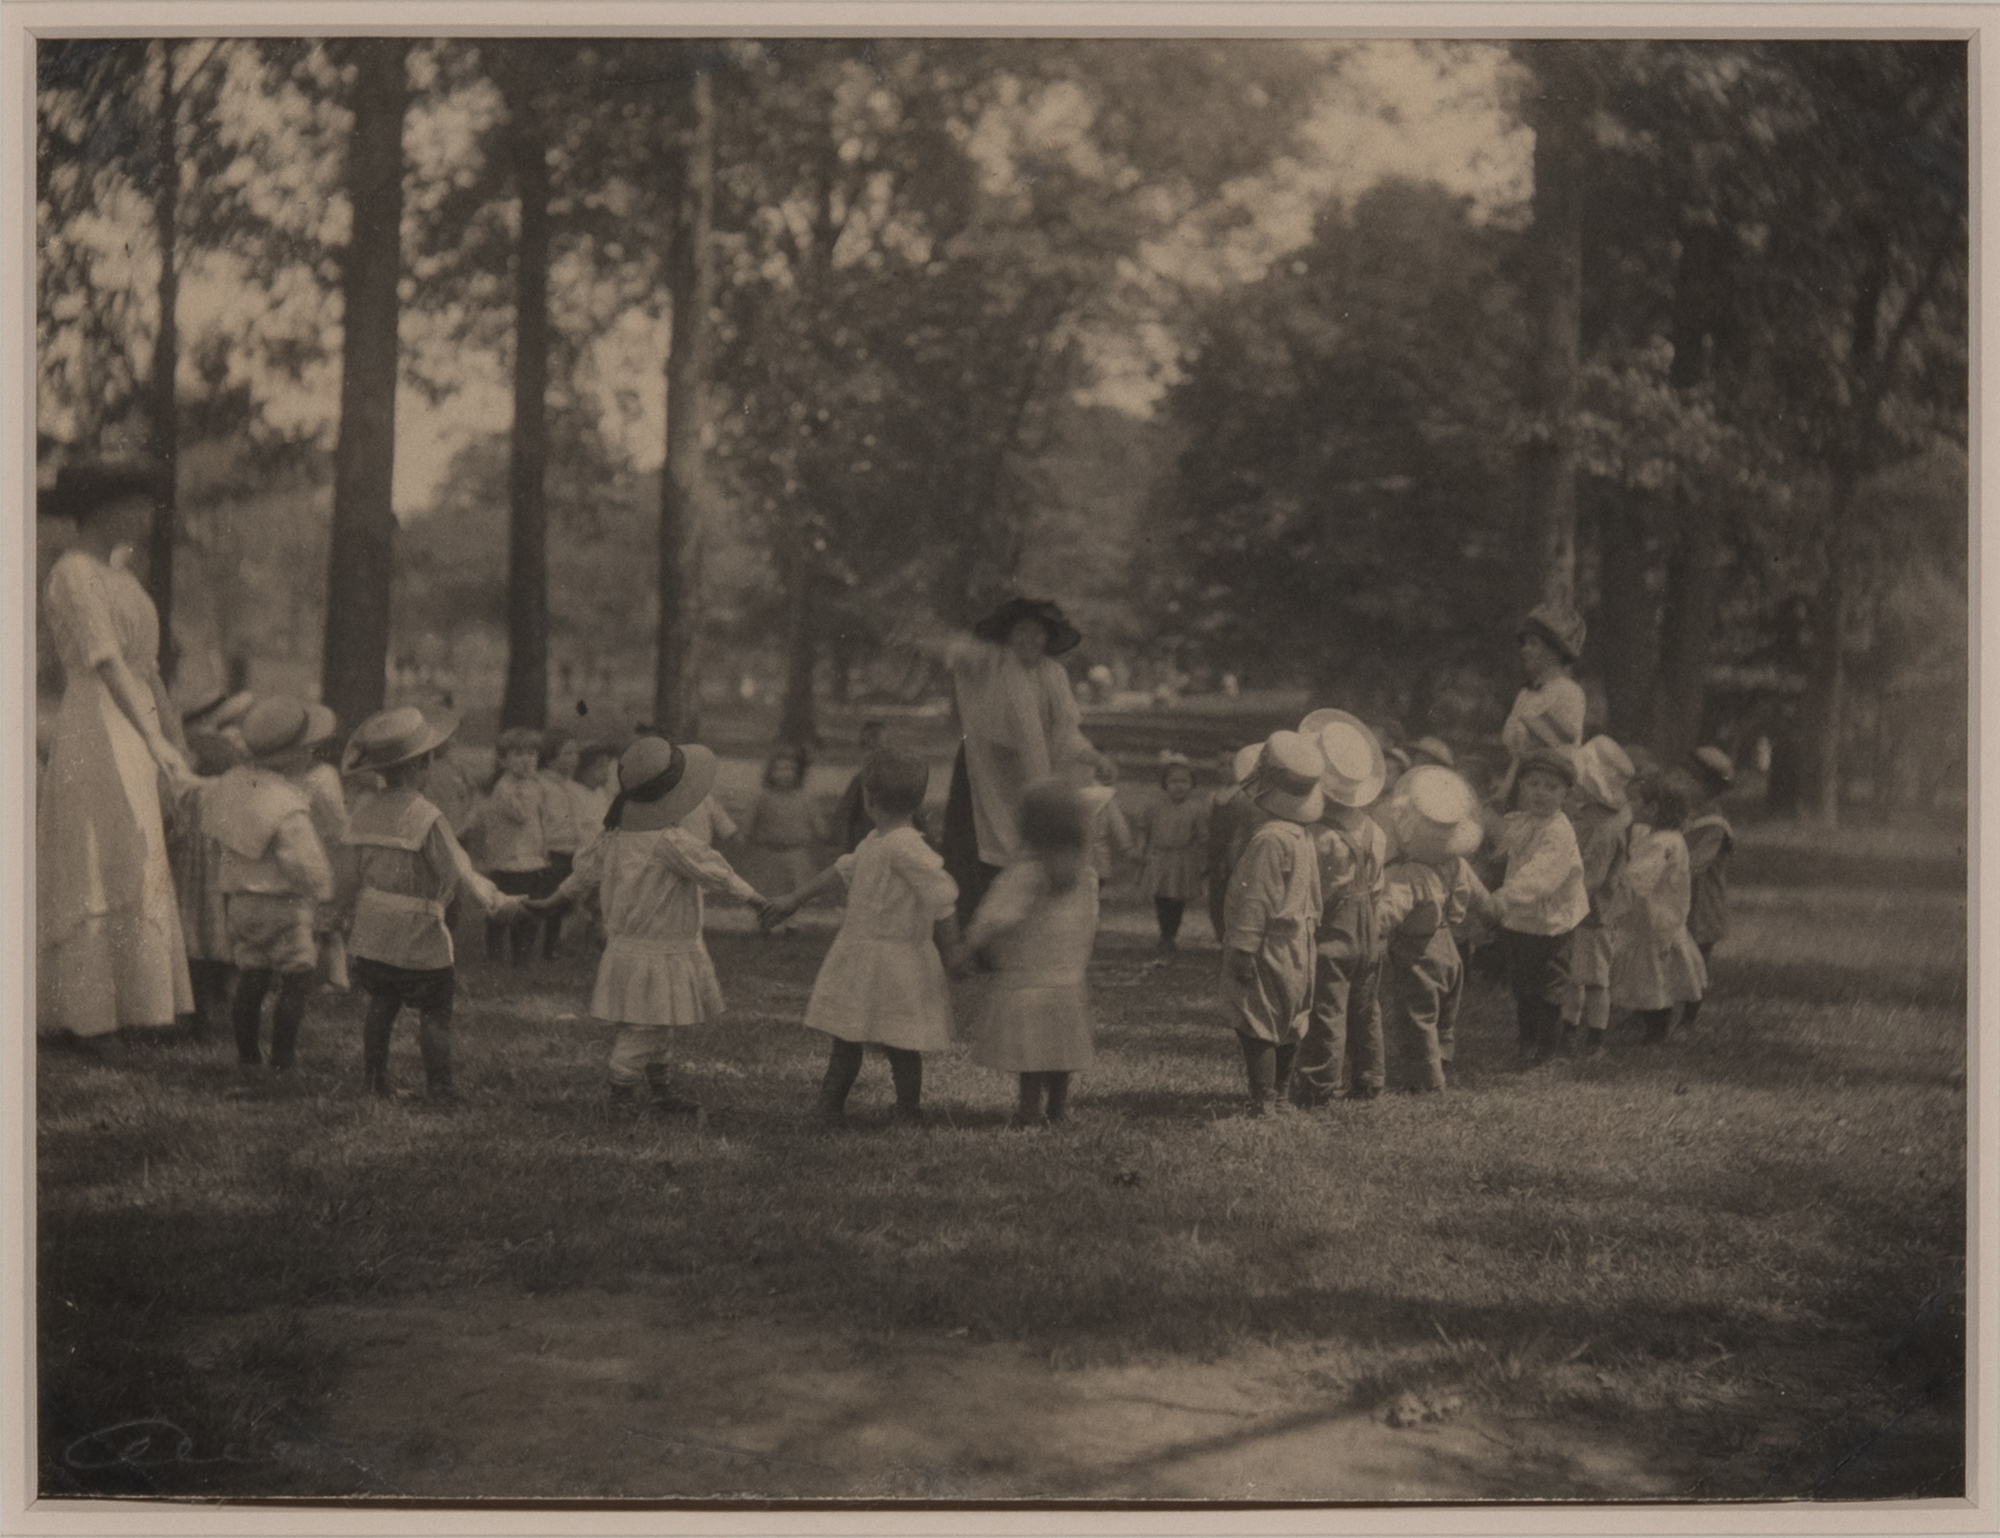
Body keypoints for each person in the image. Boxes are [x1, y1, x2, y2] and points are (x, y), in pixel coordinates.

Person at [36, 460, 197, 1046]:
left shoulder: (125, 577)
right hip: (95, 722)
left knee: (139, 848)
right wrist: (149, 737)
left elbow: (147, 673)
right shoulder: (74, 573)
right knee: (98, 850)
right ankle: (88, 1014)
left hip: (134, 720)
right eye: (133, 506)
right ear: (102, 509)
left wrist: (170, 742)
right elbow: (105, 661)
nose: (143, 518)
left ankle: (142, 1005)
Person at [529, 736, 775, 1118]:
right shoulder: (670, 842)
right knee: (645, 1027)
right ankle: (619, 1095)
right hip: (657, 951)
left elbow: (581, 877)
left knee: (659, 1023)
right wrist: (759, 901)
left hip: (633, 950)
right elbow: (719, 873)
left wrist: (552, 901)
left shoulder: (613, 838)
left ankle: (660, 1091)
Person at [762, 753, 961, 1130]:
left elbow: (942, 895)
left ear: (868, 800)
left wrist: (953, 951)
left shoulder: (905, 848)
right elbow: (841, 869)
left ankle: (907, 1110)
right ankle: (831, 1106)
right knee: (848, 1034)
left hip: (897, 959)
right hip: (862, 953)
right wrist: (794, 899)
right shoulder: (877, 841)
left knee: (898, 1041)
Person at [342, 708, 528, 1101]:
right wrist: (498, 902)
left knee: (382, 1002)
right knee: (435, 1008)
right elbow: (458, 871)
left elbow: (350, 870)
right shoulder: (426, 817)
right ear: (424, 763)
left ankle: (373, 1080)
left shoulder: (363, 809)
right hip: (417, 928)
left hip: (373, 928)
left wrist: (344, 914)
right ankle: (440, 1087)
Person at [929, 597, 1108, 926]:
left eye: (1038, 633)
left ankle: (1020, 932)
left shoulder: (1052, 675)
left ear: (1048, 638)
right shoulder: (993, 665)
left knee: (1027, 849)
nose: (1030, 640)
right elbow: (958, 652)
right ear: (1008, 635)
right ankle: (972, 932)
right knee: (975, 853)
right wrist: (924, 635)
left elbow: (1065, 731)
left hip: (1029, 774)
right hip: (981, 772)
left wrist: (1092, 756)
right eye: (1022, 631)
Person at [952, 779, 1101, 1129]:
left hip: (1027, 977)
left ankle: (1028, 1112)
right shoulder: (1085, 875)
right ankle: (1058, 1110)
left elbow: (996, 917)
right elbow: (1089, 922)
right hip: (1066, 978)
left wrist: (967, 946)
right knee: (1060, 1051)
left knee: (1032, 1054)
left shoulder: (1024, 874)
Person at [211, 696, 338, 1078]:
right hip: (284, 906)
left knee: (252, 975)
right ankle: (283, 1056)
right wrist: (324, 892)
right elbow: (303, 862)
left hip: (241, 903)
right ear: (296, 757)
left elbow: (216, 830)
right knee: (296, 978)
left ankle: (248, 1055)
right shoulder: (286, 804)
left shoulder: (232, 785)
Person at [1220, 731, 1326, 1116]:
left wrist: (1244, 947)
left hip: (1268, 944)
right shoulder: (1302, 835)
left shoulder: (1268, 840)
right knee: (1291, 1019)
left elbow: (1257, 899)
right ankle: (1281, 1095)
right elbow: (1314, 894)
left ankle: (1264, 1099)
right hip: (1299, 943)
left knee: (1256, 1019)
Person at [1290, 714, 1387, 1107]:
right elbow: (1377, 885)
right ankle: (1371, 1078)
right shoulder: (1374, 831)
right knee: (1367, 1008)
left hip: (1334, 932)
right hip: (1370, 932)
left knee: (1327, 1010)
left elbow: (1316, 892)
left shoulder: (1318, 837)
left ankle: (1319, 1085)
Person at [1375, 767, 1488, 1094]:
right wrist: (1494, 908)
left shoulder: (1409, 873)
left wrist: (1369, 928)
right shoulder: (1457, 864)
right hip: (1450, 950)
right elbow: (1481, 897)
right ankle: (1443, 1062)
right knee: (1444, 1017)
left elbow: (1389, 911)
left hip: (1418, 952)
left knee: (1418, 1017)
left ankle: (1427, 1082)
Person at [1479, 747, 1589, 1066]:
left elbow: (1539, 876)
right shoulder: (1523, 821)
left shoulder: (1559, 833)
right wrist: (1481, 819)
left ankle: (1548, 1050)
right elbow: (1504, 841)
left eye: (1551, 787)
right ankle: (1526, 1043)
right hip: (1522, 920)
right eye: (1534, 784)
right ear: (1522, 786)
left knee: (1550, 986)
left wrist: (1504, 896)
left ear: (1566, 794)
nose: (1541, 793)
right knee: (1524, 986)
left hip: (1553, 922)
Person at [1610, 775, 1708, 1044]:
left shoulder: (1663, 845)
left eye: (1636, 802)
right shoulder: (1667, 838)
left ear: (1653, 808)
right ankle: (1656, 1023)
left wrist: (1620, 881)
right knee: (1661, 971)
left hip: (1655, 919)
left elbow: (1642, 874)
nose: (1632, 806)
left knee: (1654, 976)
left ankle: (1656, 1032)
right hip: (1663, 918)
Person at [1560, 736, 1636, 1057]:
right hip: (1578, 909)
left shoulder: (1605, 828)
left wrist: (1562, 899)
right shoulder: (1587, 816)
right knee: (1573, 976)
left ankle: (1595, 1040)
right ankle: (1568, 1031)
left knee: (1594, 979)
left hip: (1593, 912)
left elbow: (1592, 877)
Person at [170, 727, 247, 1040]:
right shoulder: (231, 792)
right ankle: (225, 1010)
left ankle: (201, 1016)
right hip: (223, 883)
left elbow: (175, 833)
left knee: (196, 953)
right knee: (225, 951)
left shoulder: (189, 793)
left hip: (192, 887)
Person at [1498, 603, 1588, 805]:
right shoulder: (1525, 694)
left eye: (1533, 643)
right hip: (1520, 789)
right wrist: (1503, 794)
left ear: (1555, 651)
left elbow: (1559, 755)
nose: (1525, 650)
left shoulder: (1568, 693)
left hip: (1550, 796)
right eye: (1524, 643)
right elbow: (1518, 757)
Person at [293, 707, 353, 992]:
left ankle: (336, 977)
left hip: (325, 851)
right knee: (307, 918)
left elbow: (338, 820)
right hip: (306, 849)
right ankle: (310, 971)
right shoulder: (304, 776)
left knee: (327, 921)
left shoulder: (323, 776)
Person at [482, 726, 549, 965]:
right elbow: (520, 814)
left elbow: (542, 820)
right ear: (503, 760)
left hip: (531, 859)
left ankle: (522, 957)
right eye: (518, 754)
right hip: (509, 860)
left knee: (529, 910)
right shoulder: (506, 788)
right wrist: (530, 786)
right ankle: (495, 955)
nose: (526, 760)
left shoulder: (534, 786)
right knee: (503, 910)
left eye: (532, 754)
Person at [1679, 747, 1736, 1028]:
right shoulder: (1684, 813)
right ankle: (1656, 1009)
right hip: (1680, 896)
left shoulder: (1714, 823)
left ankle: (1689, 1018)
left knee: (1697, 960)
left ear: (1709, 787)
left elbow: (1696, 862)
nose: (1683, 784)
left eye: (1691, 780)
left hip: (1703, 901)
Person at [1137, 754, 1207, 951]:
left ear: (1192, 785)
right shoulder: (1154, 807)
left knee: (1177, 899)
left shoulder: (1196, 809)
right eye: (1173, 781)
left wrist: (1202, 861)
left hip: (1182, 859)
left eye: (1184, 781)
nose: (1179, 786)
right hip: (1160, 857)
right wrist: (1141, 850)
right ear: (1164, 784)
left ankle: (1171, 933)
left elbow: (1203, 837)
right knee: (1161, 897)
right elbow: (1144, 829)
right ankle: (1164, 933)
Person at [743, 745, 822, 917]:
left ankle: (793, 926)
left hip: (796, 855)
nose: (784, 773)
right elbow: (748, 827)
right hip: (768, 855)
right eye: (779, 769)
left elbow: (819, 828)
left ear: (798, 772)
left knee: (795, 895)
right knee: (768, 896)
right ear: (770, 772)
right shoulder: (762, 798)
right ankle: (768, 925)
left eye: (790, 769)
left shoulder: (805, 798)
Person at [1204, 744, 1261, 943]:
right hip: (1217, 852)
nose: (1227, 769)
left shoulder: (1245, 796)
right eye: (1222, 764)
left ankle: (1236, 937)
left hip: (1237, 852)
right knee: (1216, 896)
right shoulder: (1214, 796)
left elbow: (1243, 830)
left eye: (1232, 764)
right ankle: (1222, 936)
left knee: (1236, 895)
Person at [537, 732, 586, 959]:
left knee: (564, 901)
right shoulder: (541, 784)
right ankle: (534, 947)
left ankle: (552, 947)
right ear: (550, 758)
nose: (574, 758)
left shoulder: (573, 787)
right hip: (551, 851)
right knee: (547, 899)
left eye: (576, 753)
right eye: (567, 753)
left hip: (571, 850)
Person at [831, 720, 890, 855]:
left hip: (889, 839)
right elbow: (844, 812)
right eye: (869, 749)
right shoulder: (861, 779)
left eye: (880, 749)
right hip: (864, 840)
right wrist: (843, 844)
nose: (874, 755)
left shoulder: (896, 779)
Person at [1085, 755, 1139, 893]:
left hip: (1074, 851)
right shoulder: (1106, 795)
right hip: (1097, 852)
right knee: (1095, 887)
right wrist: (1127, 846)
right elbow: (1118, 823)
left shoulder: (1075, 792)